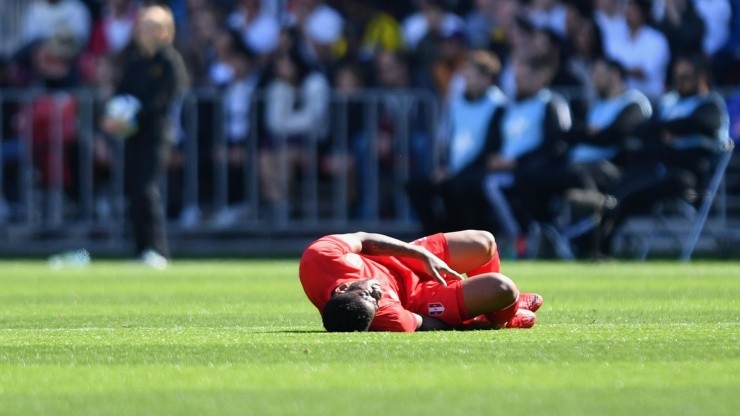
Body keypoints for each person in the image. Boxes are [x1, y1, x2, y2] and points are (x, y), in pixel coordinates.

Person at [595, 55, 730, 257]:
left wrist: (670, 129)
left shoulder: (711, 104)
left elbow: (703, 123)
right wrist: (671, 129)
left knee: (625, 193)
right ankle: (598, 246)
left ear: (701, 78)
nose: (680, 82)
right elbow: (643, 129)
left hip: (686, 177)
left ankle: (599, 247)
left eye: (686, 77)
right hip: (657, 167)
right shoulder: (669, 103)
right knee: (619, 189)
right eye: (677, 77)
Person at [299, 229, 543, 332]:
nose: (378, 294)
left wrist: (421, 254)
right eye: (376, 302)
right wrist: (475, 323)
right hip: (419, 299)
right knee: (503, 289)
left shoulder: (319, 259)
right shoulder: (384, 316)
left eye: (368, 293)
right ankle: (503, 318)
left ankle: (504, 309)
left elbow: (363, 238)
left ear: (343, 287)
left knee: (484, 242)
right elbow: (425, 323)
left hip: (406, 259)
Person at [102, 5, 189, 268]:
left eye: (151, 27)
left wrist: (132, 117)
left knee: (147, 189)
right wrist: (112, 117)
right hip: (133, 136)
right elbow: (121, 93)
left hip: (156, 135)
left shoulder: (169, 61)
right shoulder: (136, 61)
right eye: (143, 26)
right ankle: (141, 249)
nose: (144, 32)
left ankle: (158, 249)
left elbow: (163, 98)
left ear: (165, 31)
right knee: (133, 190)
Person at [406, 49, 506, 235]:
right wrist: (444, 167)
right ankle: (435, 237)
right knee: (416, 186)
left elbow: (490, 147)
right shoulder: (458, 102)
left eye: (472, 75)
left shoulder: (498, 105)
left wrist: (455, 172)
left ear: (487, 78)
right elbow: (449, 140)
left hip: (479, 170)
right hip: (455, 171)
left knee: (459, 187)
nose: (466, 79)